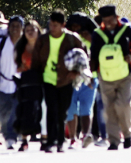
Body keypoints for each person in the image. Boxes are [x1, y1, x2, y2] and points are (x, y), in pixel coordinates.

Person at [32, 9, 84, 153]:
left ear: (63, 25)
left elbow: (83, 57)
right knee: (51, 110)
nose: (52, 27)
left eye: (56, 25)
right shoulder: (43, 39)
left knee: (62, 112)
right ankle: (50, 141)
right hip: (48, 80)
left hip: (66, 81)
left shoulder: (72, 39)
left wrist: (76, 72)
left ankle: (60, 141)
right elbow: (36, 59)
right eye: (51, 24)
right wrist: (36, 76)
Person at [91, 5, 131, 150]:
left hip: (125, 76)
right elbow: (94, 57)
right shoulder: (97, 34)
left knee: (123, 105)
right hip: (105, 76)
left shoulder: (126, 30)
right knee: (109, 108)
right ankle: (113, 141)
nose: (108, 23)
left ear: (116, 17)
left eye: (110, 20)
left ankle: (127, 134)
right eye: (104, 20)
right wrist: (92, 75)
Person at [0, 16, 23, 150]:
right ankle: (6, 134)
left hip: (19, 85)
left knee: (16, 111)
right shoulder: (0, 44)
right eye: (12, 26)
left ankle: (12, 137)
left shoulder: (25, 43)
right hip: (3, 83)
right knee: (4, 112)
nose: (15, 29)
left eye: (18, 26)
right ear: (8, 28)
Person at [13, 20, 42, 152]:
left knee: (40, 110)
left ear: (38, 31)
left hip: (40, 81)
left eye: (33, 30)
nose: (30, 33)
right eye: (27, 31)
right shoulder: (20, 47)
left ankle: (44, 138)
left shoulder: (43, 46)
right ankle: (24, 140)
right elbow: (17, 64)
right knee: (24, 110)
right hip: (25, 82)